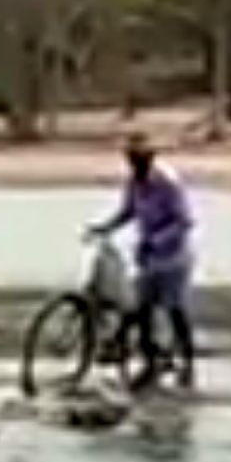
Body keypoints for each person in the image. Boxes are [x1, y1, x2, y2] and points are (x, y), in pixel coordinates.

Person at [88, 133, 195, 390]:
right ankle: (150, 361)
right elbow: (128, 212)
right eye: (130, 159)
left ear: (149, 159)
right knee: (143, 307)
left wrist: (158, 240)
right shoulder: (134, 183)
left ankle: (188, 358)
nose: (133, 164)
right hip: (147, 255)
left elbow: (184, 222)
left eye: (138, 159)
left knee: (173, 307)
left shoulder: (168, 183)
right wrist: (105, 227)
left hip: (173, 255)